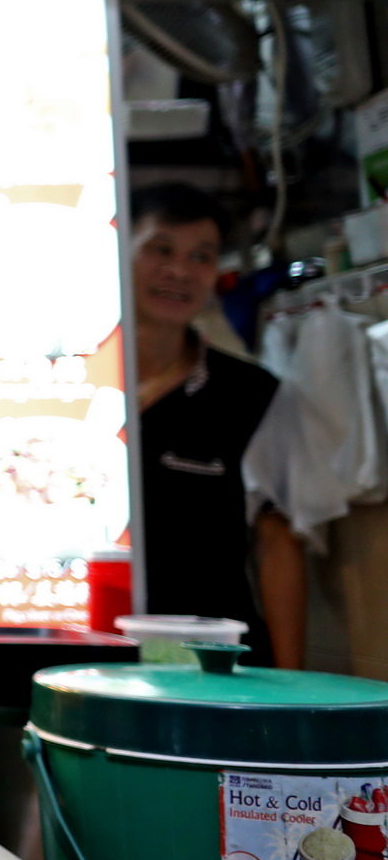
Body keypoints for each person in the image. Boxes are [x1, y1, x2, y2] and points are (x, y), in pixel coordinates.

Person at [131, 181, 304, 668]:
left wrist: (290, 685)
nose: (179, 272)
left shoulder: (251, 394)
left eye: (201, 256)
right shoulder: (62, 386)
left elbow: (276, 541)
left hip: (212, 668)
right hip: (73, 652)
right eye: (160, 250)